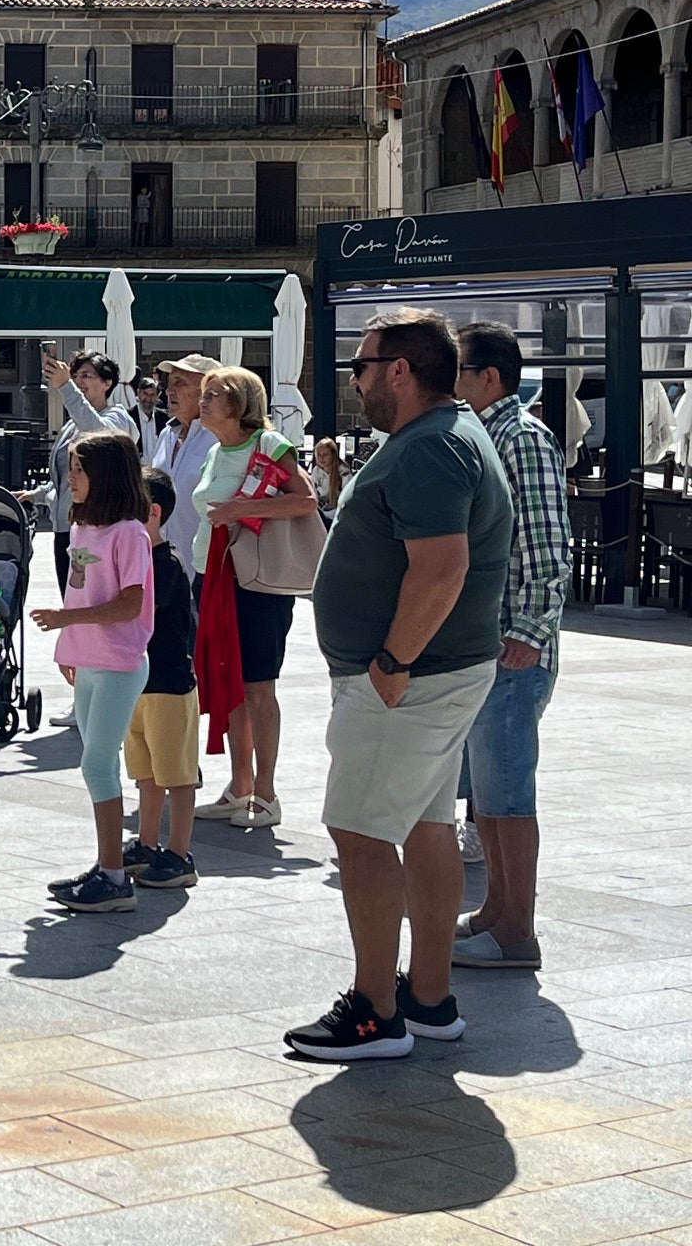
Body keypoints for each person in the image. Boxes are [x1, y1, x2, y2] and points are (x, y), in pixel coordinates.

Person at [285, 308, 511, 1063]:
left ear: (400, 371)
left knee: (361, 833)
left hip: (409, 680)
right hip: (433, 674)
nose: (356, 381)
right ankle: (429, 997)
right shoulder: (443, 434)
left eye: (361, 367)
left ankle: (376, 1012)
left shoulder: (431, 447)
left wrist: (391, 660)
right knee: (425, 826)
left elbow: (442, 568)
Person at [453, 321, 570, 973]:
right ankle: (496, 912)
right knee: (491, 797)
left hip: (510, 647)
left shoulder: (521, 437)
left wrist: (529, 632)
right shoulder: (486, 434)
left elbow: (547, 544)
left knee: (508, 794)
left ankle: (517, 931)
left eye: (459, 370)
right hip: (487, 645)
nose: (450, 381)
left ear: (490, 377)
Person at [191, 365, 318, 831]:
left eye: (214, 394)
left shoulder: (269, 445)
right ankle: (239, 786)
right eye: (204, 394)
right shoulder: (214, 450)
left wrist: (241, 509)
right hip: (212, 577)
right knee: (231, 684)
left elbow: (305, 500)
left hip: (255, 581)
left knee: (259, 687)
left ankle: (266, 794)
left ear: (240, 402)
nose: (203, 401)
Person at [30, 432, 154, 912]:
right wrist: (69, 646)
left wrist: (66, 621)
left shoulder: (130, 533)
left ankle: (114, 877)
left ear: (106, 475)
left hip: (120, 662)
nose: (73, 479)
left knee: (97, 764)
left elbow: (130, 603)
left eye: (80, 469)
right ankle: (107, 867)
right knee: (97, 763)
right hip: (88, 661)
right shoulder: (82, 528)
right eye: (72, 469)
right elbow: (79, 591)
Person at [121, 468, 200, 890]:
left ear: (152, 513)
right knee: (146, 772)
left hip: (169, 685)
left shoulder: (165, 564)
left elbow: (137, 613)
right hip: (138, 683)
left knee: (177, 775)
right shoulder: (136, 562)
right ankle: (147, 843)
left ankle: (179, 853)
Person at [22, 348, 134, 597]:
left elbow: (101, 437)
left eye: (87, 376)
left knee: (90, 600)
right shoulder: (71, 425)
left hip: (96, 525)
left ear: (107, 383)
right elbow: (65, 479)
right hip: (66, 526)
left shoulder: (117, 417)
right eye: (76, 376)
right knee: (71, 599)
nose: (79, 381)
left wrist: (66, 387)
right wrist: (35, 495)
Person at [151, 355, 220, 561]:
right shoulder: (167, 435)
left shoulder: (219, 439)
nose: (169, 391)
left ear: (206, 392)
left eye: (179, 383)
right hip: (163, 562)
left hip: (203, 564)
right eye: (169, 383)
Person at [311, 437, 347, 519]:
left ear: (333, 455)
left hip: (338, 513)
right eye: (319, 455)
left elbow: (346, 500)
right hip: (320, 512)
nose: (321, 458)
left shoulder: (344, 472)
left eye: (325, 455)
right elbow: (313, 493)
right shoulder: (316, 471)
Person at [131, 375, 163, 462]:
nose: (148, 398)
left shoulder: (164, 418)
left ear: (157, 396)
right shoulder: (129, 417)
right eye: (145, 394)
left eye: (152, 395)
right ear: (138, 393)